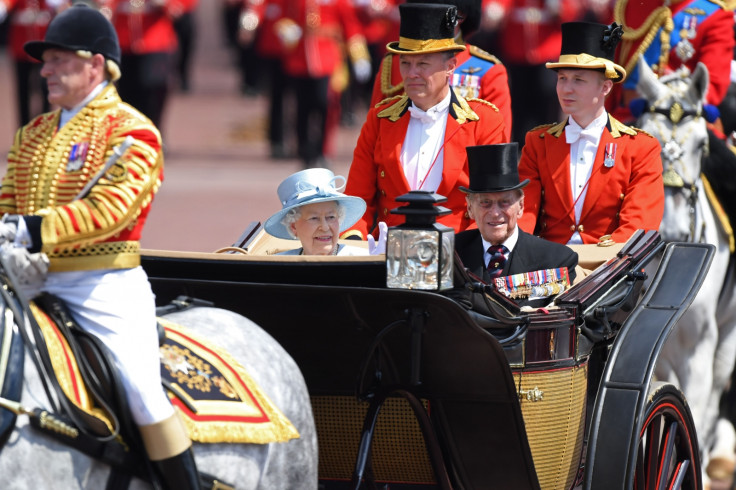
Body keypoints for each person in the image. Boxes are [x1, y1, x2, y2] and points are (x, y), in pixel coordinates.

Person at [0, 5, 199, 488]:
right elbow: (7, 199)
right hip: (27, 278)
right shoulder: (33, 133)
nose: (44, 69)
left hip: (100, 287)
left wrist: (30, 229)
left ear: (95, 64)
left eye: (58, 59)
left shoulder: (132, 131)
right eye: (45, 60)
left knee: (142, 392)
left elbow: (112, 210)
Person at [344, 2, 508, 240]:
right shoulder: (379, 119)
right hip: (388, 254)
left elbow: (492, 204)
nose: (411, 74)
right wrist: (354, 242)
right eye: (406, 63)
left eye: (423, 64)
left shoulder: (484, 121)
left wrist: (468, 257)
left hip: (457, 255)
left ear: (450, 66)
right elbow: (357, 200)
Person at [517, 21, 664, 246]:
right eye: (562, 78)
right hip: (549, 269)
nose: (566, 89)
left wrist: (600, 269)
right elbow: (524, 216)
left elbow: (637, 228)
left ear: (605, 87)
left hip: (610, 272)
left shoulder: (641, 148)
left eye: (578, 80)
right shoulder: (538, 142)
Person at [370, 0, 513, 142]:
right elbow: (375, 130)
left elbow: (497, 142)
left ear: (460, 15)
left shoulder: (487, 70)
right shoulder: (394, 63)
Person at [455, 143, 578, 290]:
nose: (495, 213)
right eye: (485, 202)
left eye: (504, 202)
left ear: (520, 206)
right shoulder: (450, 253)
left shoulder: (556, 260)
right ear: (470, 207)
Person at [277, 0, 372, 169]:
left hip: (328, 61)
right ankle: (305, 151)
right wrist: (287, 31)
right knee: (302, 108)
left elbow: (351, 27)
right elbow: (283, 18)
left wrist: (359, 56)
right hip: (299, 61)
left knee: (325, 105)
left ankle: (323, 150)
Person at [607, 0, 735, 125]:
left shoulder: (715, 15)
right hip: (627, 115)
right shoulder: (629, 5)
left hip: (685, 118)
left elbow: (712, 84)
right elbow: (607, 64)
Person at [478, 0, 585, 146]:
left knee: (547, 101)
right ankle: (521, 149)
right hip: (517, 49)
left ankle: (548, 147)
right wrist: (496, 7)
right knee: (518, 104)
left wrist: (560, 7)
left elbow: (571, 11)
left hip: (547, 50)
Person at [264, 168, 374, 256]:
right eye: (314, 218)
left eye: (331, 217)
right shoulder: (280, 266)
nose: (325, 227)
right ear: (294, 227)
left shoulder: (360, 260)